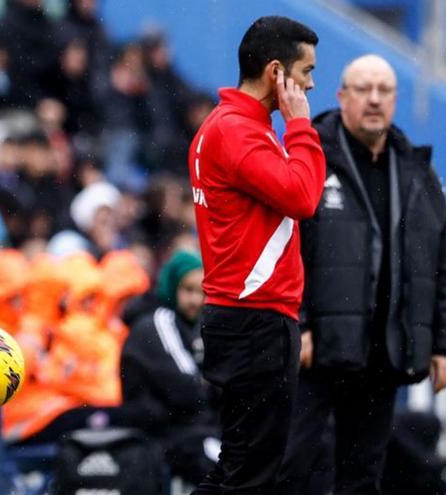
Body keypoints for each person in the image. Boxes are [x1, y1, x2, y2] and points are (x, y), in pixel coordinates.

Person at [276, 54, 446, 495]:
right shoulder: (308, 157)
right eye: (364, 89)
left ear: (396, 100)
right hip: (315, 351)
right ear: (342, 97)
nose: (374, 100)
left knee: (362, 478)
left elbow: (445, 263)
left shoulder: (419, 173)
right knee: (291, 469)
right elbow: (282, 249)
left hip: (383, 351)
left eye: (384, 90)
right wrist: (298, 324)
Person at [187, 16, 325, 494]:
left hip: (248, 318)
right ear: (276, 73)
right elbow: (304, 196)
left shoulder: (233, 126)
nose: (311, 83)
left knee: (239, 467)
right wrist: (301, 125)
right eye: (305, 71)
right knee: (253, 476)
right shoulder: (237, 131)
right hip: (254, 319)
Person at [121, 250, 219, 484]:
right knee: (235, 473)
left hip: (195, 432)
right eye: (188, 290)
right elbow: (189, 389)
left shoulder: (194, 324)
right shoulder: (159, 321)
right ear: (173, 287)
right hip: (164, 437)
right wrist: (211, 384)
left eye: (202, 292)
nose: (196, 300)